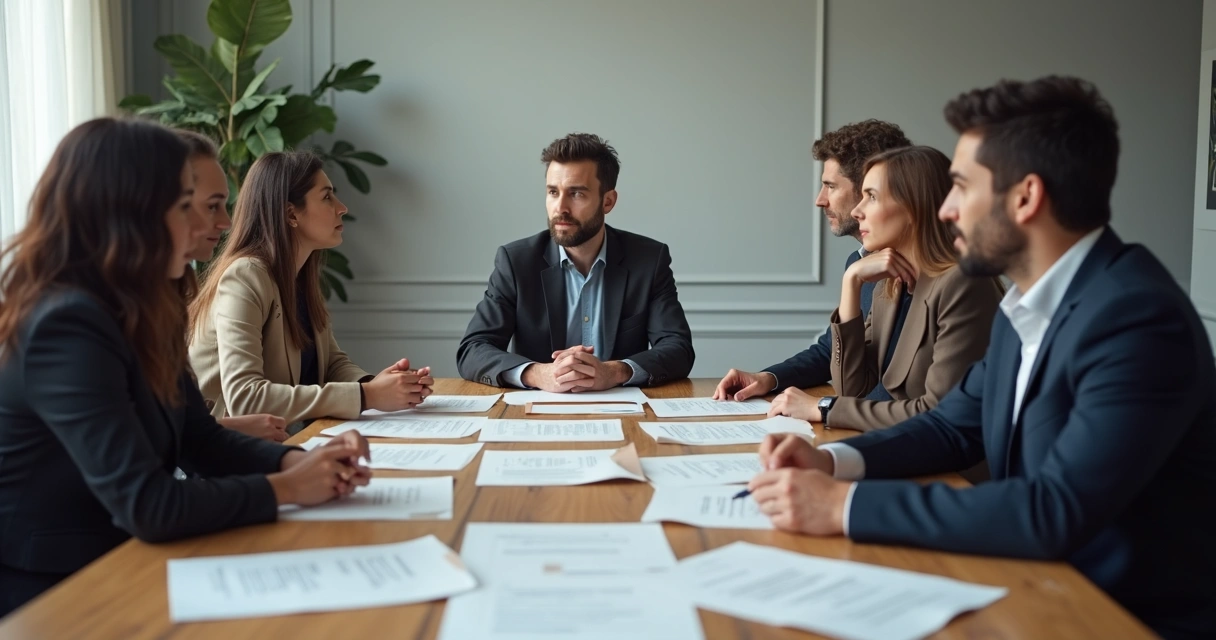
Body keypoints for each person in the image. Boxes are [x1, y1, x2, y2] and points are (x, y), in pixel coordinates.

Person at [745, 76, 1216, 639]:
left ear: (1025, 197)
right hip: (1033, 587)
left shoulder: (1135, 318)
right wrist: (831, 463)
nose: (944, 210)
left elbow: (1053, 509)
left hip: (1114, 617)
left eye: (961, 187)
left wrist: (843, 507)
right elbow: (951, 427)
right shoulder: (1032, 299)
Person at [0, 118, 372, 615]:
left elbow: (200, 437)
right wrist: (287, 486)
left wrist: (297, 461)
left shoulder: (147, 303)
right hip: (61, 587)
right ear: (130, 213)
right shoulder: (66, 323)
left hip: (130, 557)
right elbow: (148, 505)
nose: (208, 228)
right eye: (186, 207)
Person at [766, 146, 1004, 430]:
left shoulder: (962, 284)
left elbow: (939, 414)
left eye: (872, 197)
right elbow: (853, 391)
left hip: (951, 471)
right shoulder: (888, 282)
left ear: (915, 207)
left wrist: (823, 406)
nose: (857, 211)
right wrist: (851, 284)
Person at [189, 151, 432, 425]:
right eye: (327, 196)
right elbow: (245, 399)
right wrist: (367, 395)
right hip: (224, 458)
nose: (342, 207)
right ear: (291, 213)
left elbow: (330, 364)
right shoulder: (246, 276)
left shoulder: (299, 276)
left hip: (287, 442)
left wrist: (385, 385)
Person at [457, 133, 694, 391]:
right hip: (535, 415)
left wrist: (613, 371)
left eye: (577, 194)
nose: (560, 208)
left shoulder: (648, 260)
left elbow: (677, 349)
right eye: (552, 192)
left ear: (608, 201)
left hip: (623, 411)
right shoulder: (516, 262)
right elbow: (473, 349)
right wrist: (538, 374)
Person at [714, 120, 911, 402]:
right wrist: (768, 378)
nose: (820, 200)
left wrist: (824, 408)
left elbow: (896, 390)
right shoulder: (860, 264)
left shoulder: (928, 276)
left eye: (831, 187)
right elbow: (831, 349)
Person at [177, 129, 287, 442]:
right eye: (212, 205)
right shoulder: (79, 316)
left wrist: (297, 463)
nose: (226, 222)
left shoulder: (166, 295)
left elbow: (184, 433)